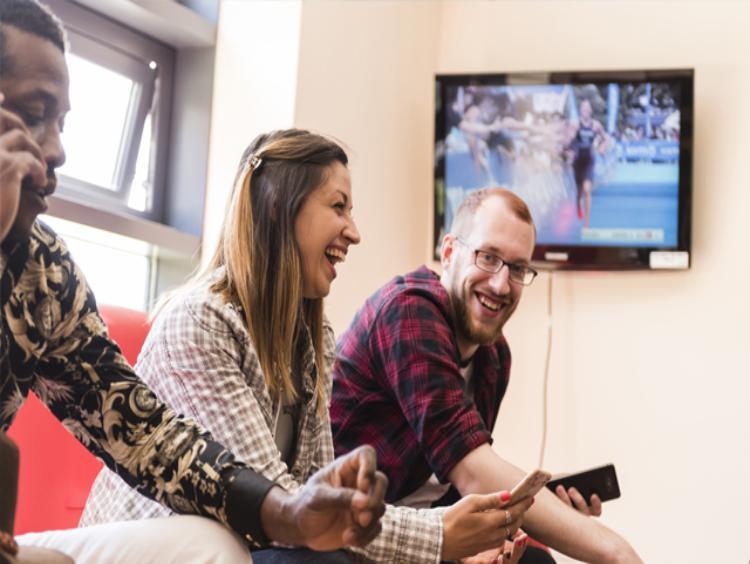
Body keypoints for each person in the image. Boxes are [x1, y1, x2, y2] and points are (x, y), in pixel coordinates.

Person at [0, 1, 387, 561]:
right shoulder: (205, 318)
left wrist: (288, 513)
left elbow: (144, 432)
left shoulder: (42, 269)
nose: (56, 148)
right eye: (35, 115)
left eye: (61, 123)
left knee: (205, 543)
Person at [82, 129, 535, 563]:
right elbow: (284, 508)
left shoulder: (313, 341)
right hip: (170, 548)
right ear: (282, 207)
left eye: (517, 268)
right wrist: (439, 538)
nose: (354, 232)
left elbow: (317, 500)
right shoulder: (199, 323)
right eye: (339, 207)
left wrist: (461, 541)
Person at [331, 187, 644, 563]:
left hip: (423, 536)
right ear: (449, 253)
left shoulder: (494, 357)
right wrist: (618, 552)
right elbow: (474, 473)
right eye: (488, 257)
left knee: (534, 560)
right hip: (353, 535)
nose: (500, 284)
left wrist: (514, 529)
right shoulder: (409, 311)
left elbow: (452, 492)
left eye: (517, 268)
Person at [565, 99, 610, 227]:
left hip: (589, 160)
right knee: (579, 191)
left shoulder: (596, 125)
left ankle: (586, 220)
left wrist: (602, 148)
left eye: (588, 109)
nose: (586, 111)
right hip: (578, 161)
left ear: (590, 111)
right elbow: (567, 143)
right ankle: (578, 205)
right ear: (580, 111)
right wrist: (569, 145)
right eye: (583, 109)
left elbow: (606, 139)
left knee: (587, 190)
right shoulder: (575, 125)